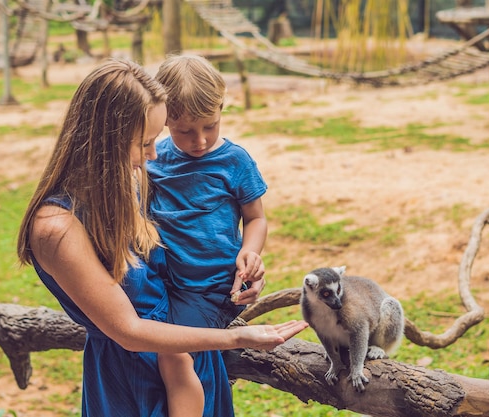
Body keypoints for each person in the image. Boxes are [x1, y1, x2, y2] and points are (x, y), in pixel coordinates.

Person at [16, 58, 307, 417]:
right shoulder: (56, 229)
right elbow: (128, 330)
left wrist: (239, 274)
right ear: (106, 142)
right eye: (146, 142)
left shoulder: (127, 184)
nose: (155, 155)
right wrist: (235, 337)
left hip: (190, 352)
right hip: (134, 377)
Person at [147, 54, 268, 417]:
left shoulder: (235, 161)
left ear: (221, 110)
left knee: (173, 352)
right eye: (184, 131)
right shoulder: (155, 157)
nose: (199, 141)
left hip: (213, 287)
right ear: (164, 118)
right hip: (167, 282)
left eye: (209, 126)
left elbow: (256, 218)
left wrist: (251, 252)